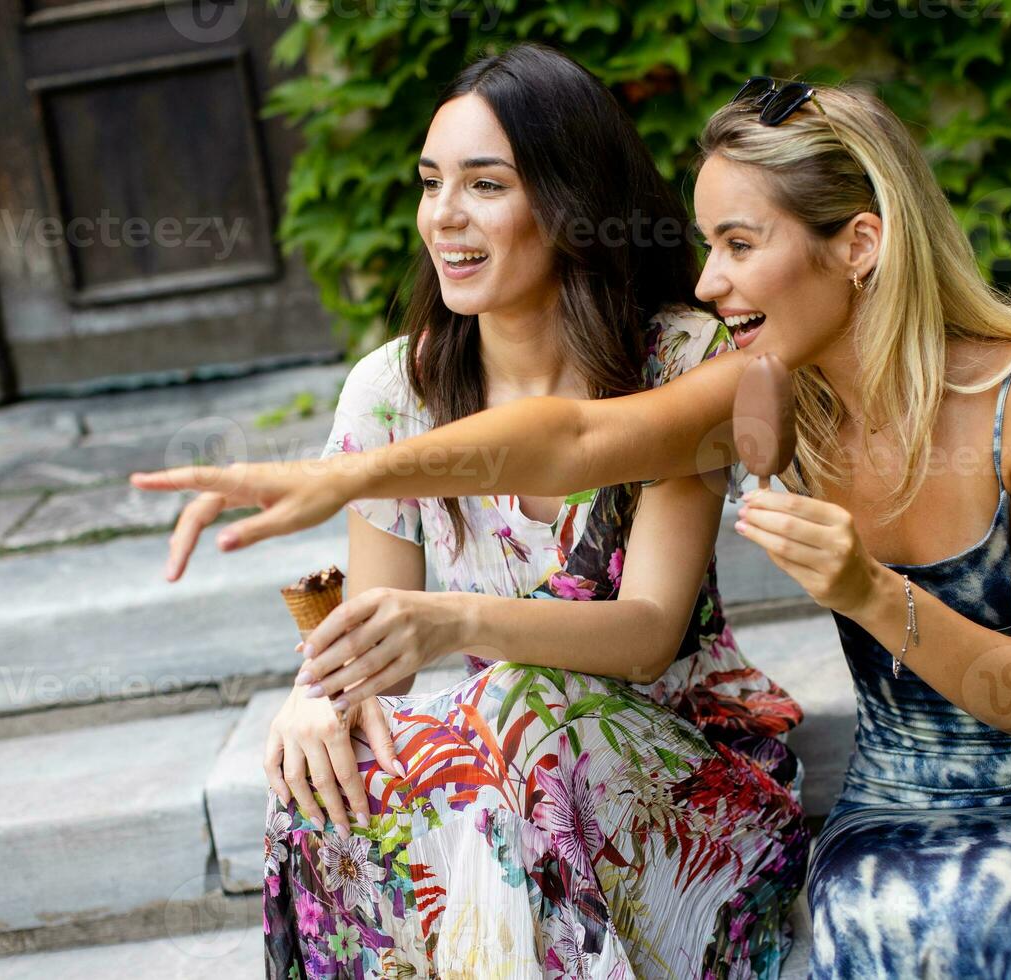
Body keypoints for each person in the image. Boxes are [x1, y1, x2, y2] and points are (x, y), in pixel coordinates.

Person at [134, 76, 1011, 978]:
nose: (710, 280)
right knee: (879, 924)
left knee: (954, 930)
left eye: (737, 244)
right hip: (891, 805)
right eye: (709, 243)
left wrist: (870, 592)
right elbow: (579, 439)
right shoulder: (776, 392)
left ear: (859, 244)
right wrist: (347, 479)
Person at [142, 46, 810, 978]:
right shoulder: (393, 391)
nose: (443, 217)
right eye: (429, 183)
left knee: (516, 701)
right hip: (507, 777)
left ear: (569, 202)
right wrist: (314, 699)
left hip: (688, 777)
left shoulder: (680, 357)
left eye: (485, 185)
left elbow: (650, 636)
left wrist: (452, 621)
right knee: (329, 775)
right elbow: (375, 660)